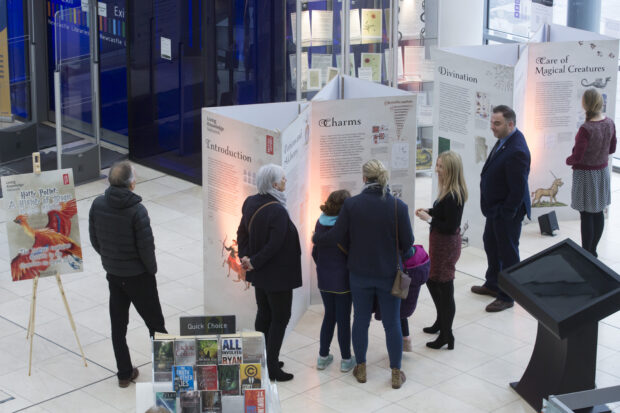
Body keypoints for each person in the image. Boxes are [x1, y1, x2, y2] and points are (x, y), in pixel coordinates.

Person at [312, 160, 414, 389]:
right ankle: (396, 371)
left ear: (365, 179)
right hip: (390, 274)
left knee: (360, 321)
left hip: (359, 274)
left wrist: (316, 238)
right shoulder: (399, 206)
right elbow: (408, 243)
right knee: (392, 324)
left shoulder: (352, 205)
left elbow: (337, 236)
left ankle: (361, 368)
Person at [89, 161, 167, 388]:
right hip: (139, 277)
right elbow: (146, 248)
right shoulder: (137, 210)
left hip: (114, 274)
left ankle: (124, 373)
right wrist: (150, 270)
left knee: (118, 327)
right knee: (156, 326)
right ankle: (165, 374)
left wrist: (109, 259)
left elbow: (95, 239)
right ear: (131, 183)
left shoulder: (97, 204)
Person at [237, 164, 302, 382]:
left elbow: (241, 232)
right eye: (283, 179)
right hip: (278, 275)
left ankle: (262, 359)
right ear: (274, 184)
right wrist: (252, 261)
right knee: (280, 317)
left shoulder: (250, 201)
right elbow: (275, 245)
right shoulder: (277, 211)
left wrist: (246, 258)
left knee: (264, 314)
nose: (286, 182)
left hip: (260, 274)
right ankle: (272, 366)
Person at [472, 105, 531, 312]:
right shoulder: (505, 140)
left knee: (508, 253)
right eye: (492, 122)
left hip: (506, 212)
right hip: (496, 209)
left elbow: (518, 189)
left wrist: (506, 213)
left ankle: (507, 296)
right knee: (491, 243)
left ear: (510, 124)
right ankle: (493, 283)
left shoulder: (517, 151)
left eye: (497, 123)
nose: (492, 127)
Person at [416, 151, 467, 349]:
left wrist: (429, 218)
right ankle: (441, 322)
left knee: (445, 287)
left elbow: (450, 224)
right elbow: (444, 214)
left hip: (446, 245)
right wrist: (429, 211)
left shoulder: (454, 194)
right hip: (439, 244)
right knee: (433, 280)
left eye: (440, 167)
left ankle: (447, 334)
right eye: (437, 166)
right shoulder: (449, 191)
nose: (437, 170)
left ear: (450, 170)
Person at [566, 88, 617, 257]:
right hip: (602, 172)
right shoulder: (610, 123)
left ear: (585, 104)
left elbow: (578, 156)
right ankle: (592, 250)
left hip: (586, 175)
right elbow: (612, 148)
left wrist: (569, 160)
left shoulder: (586, 129)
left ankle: (586, 252)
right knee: (598, 211)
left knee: (586, 214)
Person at [311, 190, 356, 372]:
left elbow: (315, 253)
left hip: (324, 278)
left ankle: (323, 357)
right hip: (343, 280)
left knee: (329, 316)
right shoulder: (346, 226)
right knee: (343, 319)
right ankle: (346, 359)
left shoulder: (320, 222)